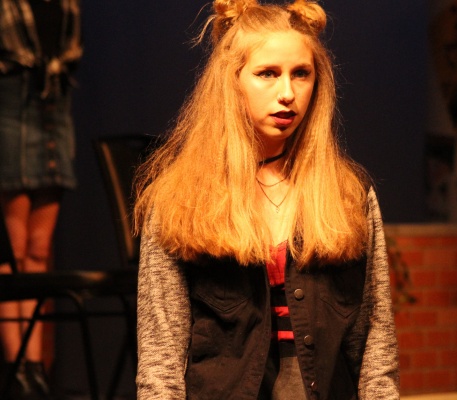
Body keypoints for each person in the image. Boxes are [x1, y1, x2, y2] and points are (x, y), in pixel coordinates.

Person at [133, 0, 400, 398]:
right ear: (233, 81)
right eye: (267, 74)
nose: (287, 93)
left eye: (301, 74)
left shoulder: (347, 195)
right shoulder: (181, 199)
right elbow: (161, 360)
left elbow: (375, 348)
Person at [0, 0, 81, 399]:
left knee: (38, 250)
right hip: (12, 114)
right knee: (12, 254)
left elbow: (71, 50)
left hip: (53, 116)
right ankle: (16, 366)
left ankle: (34, 366)